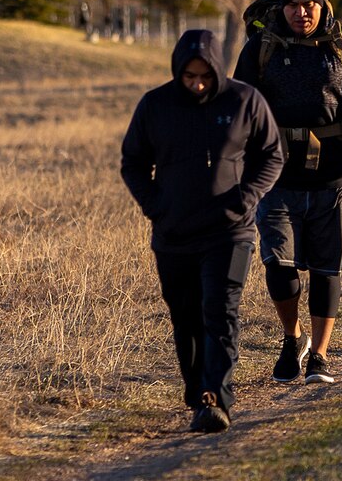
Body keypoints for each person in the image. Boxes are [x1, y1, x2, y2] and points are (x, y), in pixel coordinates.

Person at [121, 30, 285, 433]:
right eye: (189, 76)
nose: (197, 84)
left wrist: (245, 199)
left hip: (229, 232)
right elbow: (133, 163)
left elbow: (271, 154)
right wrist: (156, 207)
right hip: (174, 234)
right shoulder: (155, 106)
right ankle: (197, 394)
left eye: (205, 77)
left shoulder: (245, 101)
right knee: (186, 318)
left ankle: (217, 396)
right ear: (177, 71)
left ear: (217, 71)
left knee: (220, 311)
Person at [234, 0, 342, 386]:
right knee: (278, 263)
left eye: (310, 4)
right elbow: (240, 110)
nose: (302, 12)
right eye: (294, 5)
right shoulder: (260, 48)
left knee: (326, 268)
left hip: (337, 176)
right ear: (281, 7)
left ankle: (319, 354)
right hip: (277, 175)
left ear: (324, 4)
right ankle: (292, 337)